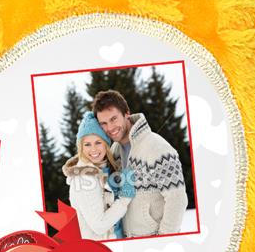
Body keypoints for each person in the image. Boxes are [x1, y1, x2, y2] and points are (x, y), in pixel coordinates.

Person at [93, 89, 187, 237]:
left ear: (126, 113)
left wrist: (164, 239)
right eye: (103, 123)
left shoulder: (157, 147)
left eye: (113, 119)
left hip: (155, 240)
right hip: (128, 240)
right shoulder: (114, 152)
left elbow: (177, 199)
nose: (109, 128)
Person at [61, 113, 134, 241]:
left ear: (106, 144)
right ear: (81, 147)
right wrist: (125, 198)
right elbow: (99, 226)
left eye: (98, 142)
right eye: (87, 144)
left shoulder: (105, 169)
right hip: (104, 247)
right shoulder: (84, 178)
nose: (93, 149)